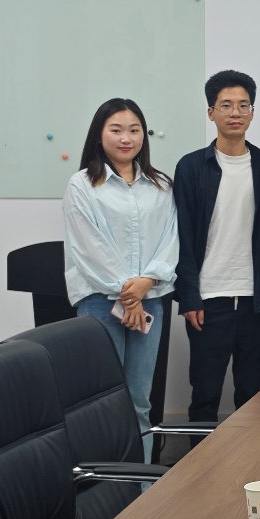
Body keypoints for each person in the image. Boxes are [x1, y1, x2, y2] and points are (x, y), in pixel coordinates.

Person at [63, 98, 178, 462]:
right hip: (100, 302)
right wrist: (129, 294)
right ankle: (106, 487)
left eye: (134, 130)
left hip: (151, 301)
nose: (126, 138)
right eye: (116, 130)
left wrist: (146, 284)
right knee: (100, 403)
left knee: (139, 401)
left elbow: (170, 240)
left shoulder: (160, 185)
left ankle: (141, 487)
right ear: (99, 135)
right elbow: (88, 247)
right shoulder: (82, 184)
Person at [173, 70, 260, 430]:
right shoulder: (190, 167)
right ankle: (198, 465)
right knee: (204, 395)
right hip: (208, 299)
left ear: (252, 112)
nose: (235, 113)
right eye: (226, 105)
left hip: (256, 301)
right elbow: (182, 236)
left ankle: (251, 464)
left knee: (252, 395)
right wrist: (189, 296)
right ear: (210, 112)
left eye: (243, 105)